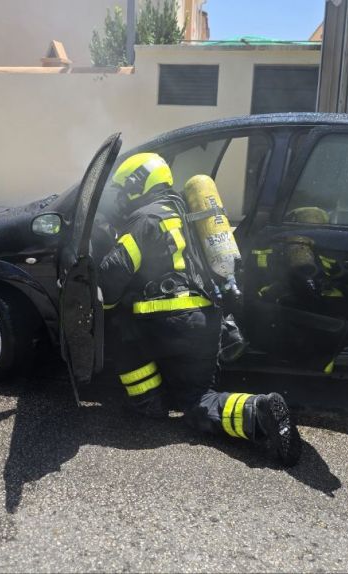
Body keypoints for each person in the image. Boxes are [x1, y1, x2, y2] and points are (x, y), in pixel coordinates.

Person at [97, 152, 302, 466]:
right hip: (205, 323)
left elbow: (114, 272)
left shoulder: (146, 218)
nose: (122, 197)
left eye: (126, 188)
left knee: (118, 322)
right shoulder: (187, 214)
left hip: (168, 322)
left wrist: (104, 303)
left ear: (140, 183)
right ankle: (258, 411)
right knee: (199, 401)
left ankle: (147, 403)